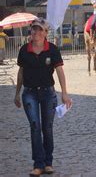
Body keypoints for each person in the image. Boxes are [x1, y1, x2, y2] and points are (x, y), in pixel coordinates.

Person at [14, 18, 72, 176]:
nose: (36, 32)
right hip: (29, 93)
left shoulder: (52, 50)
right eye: (34, 29)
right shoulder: (24, 50)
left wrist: (65, 93)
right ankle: (38, 164)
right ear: (31, 31)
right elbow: (21, 73)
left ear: (46, 33)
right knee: (35, 127)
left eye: (40, 30)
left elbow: (60, 71)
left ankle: (48, 162)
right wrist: (17, 94)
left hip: (48, 93)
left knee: (47, 128)